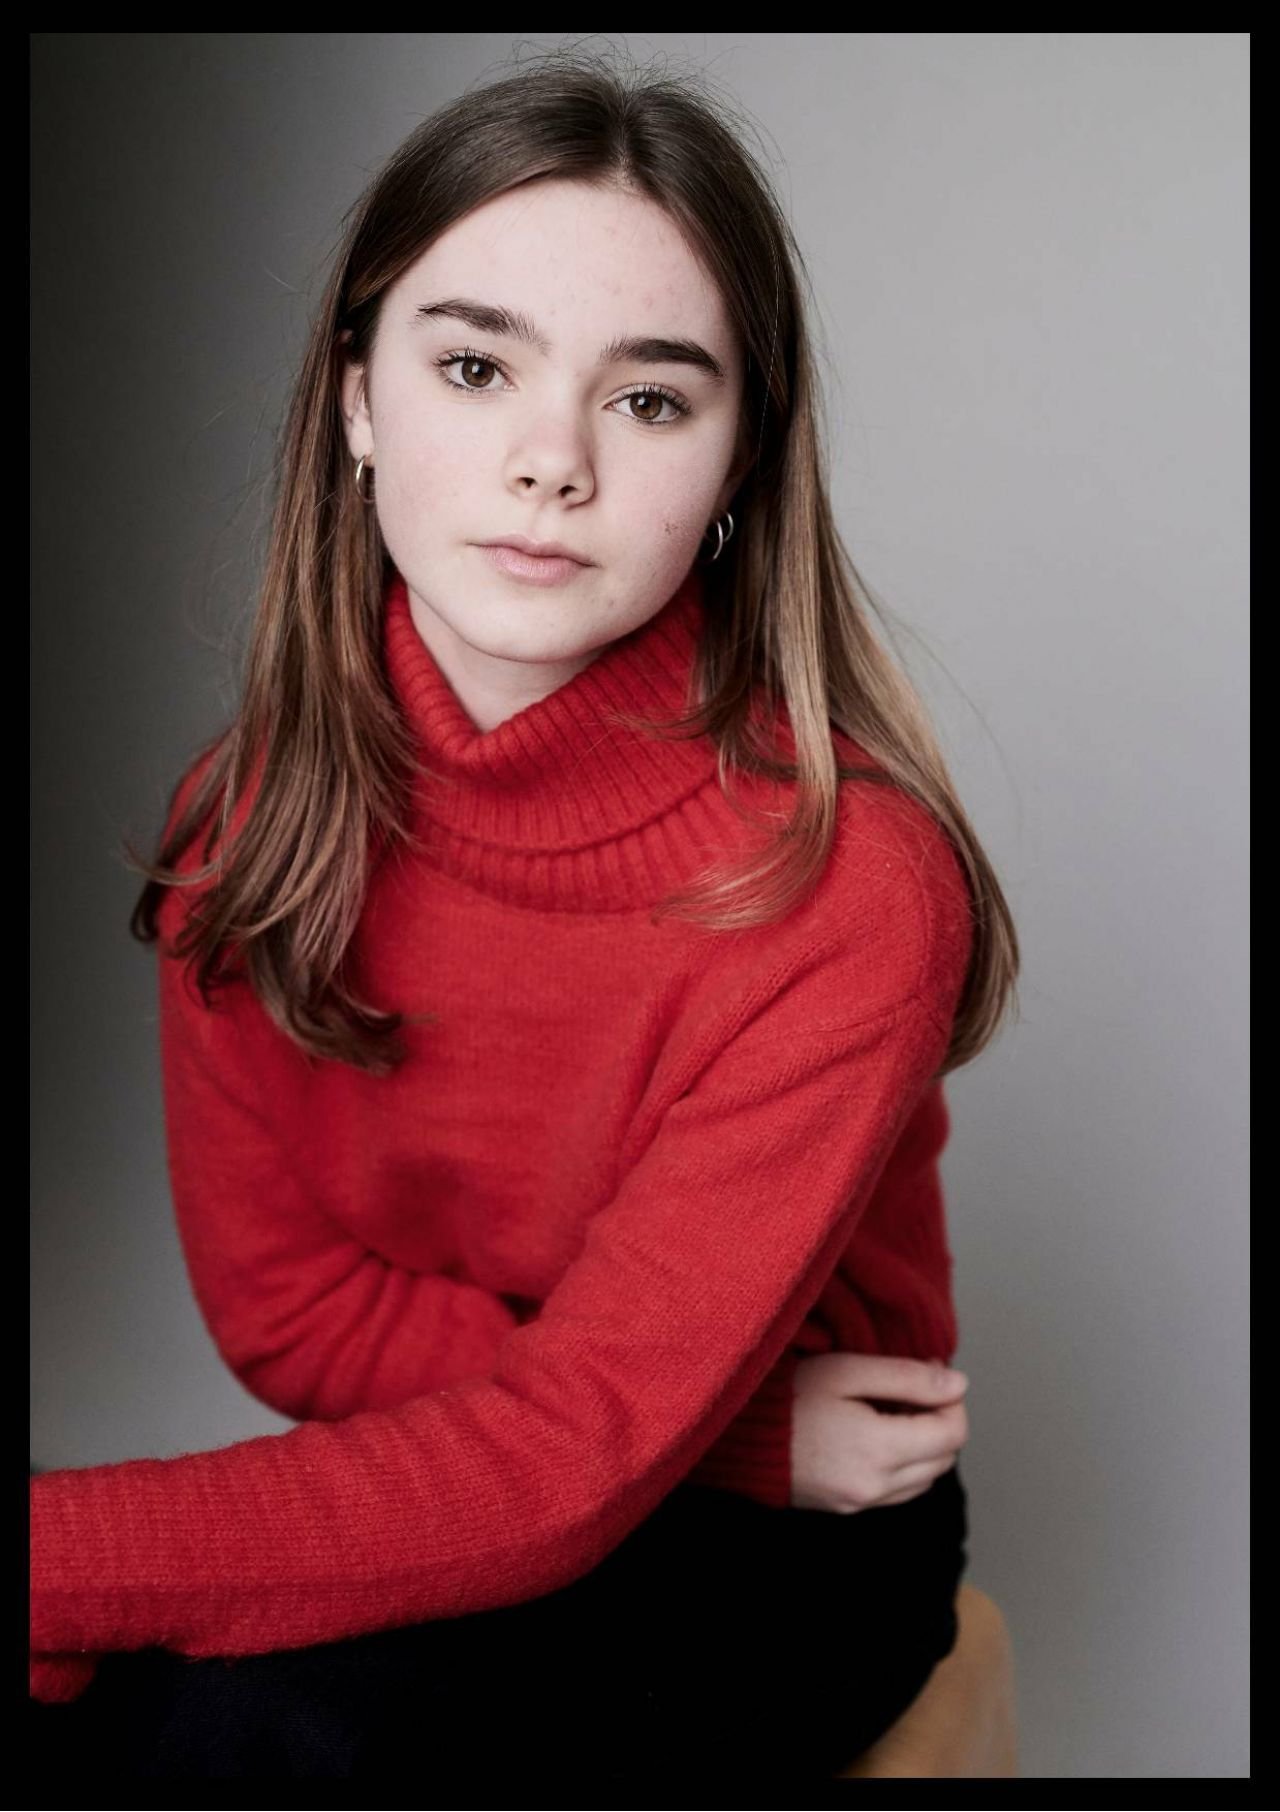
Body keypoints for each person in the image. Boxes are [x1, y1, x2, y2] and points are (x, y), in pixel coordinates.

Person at [29, 46, 1019, 1780]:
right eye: (476, 365)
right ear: (357, 401)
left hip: (788, 1551)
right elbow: (289, 1315)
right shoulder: (245, 824)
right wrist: (720, 1425)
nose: (551, 461)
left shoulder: (848, 882)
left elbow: (568, 1465)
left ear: (739, 461)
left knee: (237, 1733)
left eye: (652, 401)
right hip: (677, 1454)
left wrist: (645, 1440)